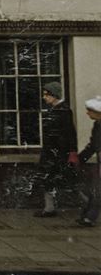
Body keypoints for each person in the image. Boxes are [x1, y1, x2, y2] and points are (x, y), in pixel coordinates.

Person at [35, 82, 78, 217]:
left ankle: (90, 204)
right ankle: (49, 208)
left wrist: (72, 151)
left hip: (59, 152)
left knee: (66, 180)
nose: (44, 97)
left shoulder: (64, 111)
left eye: (47, 95)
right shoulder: (53, 110)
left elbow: (70, 132)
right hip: (50, 152)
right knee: (48, 179)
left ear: (55, 95)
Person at [75, 97, 101, 227]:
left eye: (89, 110)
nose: (87, 113)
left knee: (97, 190)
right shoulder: (97, 125)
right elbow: (92, 145)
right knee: (96, 189)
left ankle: (89, 217)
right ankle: (88, 217)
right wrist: (81, 158)